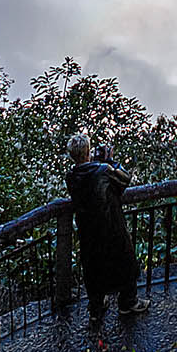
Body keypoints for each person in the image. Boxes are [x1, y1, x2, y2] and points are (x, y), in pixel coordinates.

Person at [64, 132, 149, 322]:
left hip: (87, 230)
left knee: (93, 266)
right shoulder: (103, 170)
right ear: (88, 151)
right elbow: (124, 180)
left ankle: (96, 307)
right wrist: (111, 161)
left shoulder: (71, 176)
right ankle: (128, 302)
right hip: (111, 226)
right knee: (124, 262)